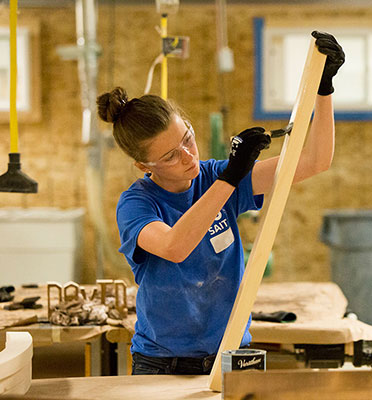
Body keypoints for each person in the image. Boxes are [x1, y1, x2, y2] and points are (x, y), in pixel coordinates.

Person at [97, 31, 344, 375]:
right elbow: (175, 245)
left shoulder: (214, 177)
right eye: (170, 156)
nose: (187, 157)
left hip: (230, 356)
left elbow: (315, 160)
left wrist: (324, 88)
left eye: (188, 139)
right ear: (144, 166)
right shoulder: (136, 204)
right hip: (163, 364)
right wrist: (231, 177)